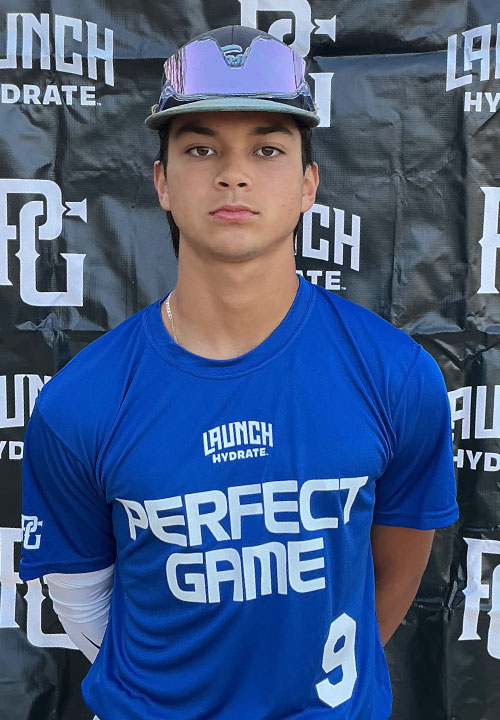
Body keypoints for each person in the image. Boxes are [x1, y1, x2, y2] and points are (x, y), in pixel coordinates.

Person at [19, 25, 459, 720]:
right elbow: (81, 603)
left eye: (267, 149)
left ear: (308, 184)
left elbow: (397, 570)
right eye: (200, 149)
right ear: (162, 182)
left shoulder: (396, 375)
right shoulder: (82, 400)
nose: (233, 174)